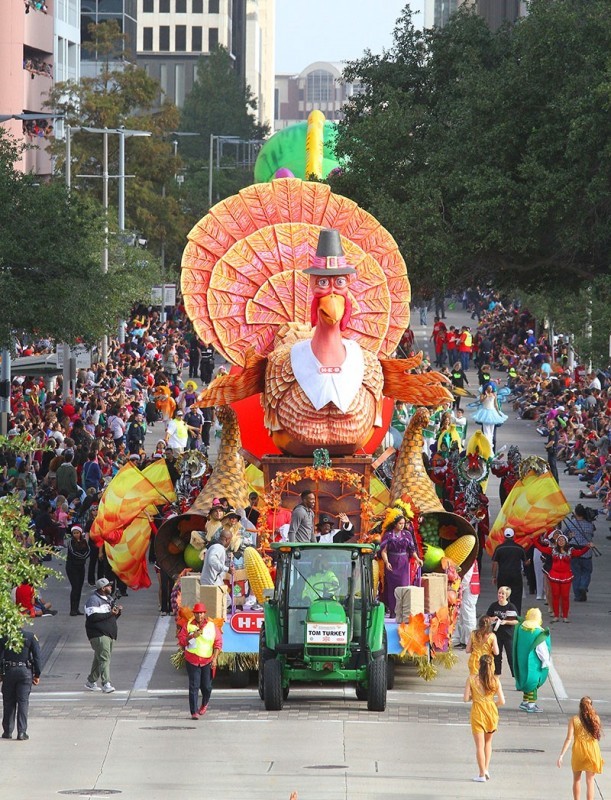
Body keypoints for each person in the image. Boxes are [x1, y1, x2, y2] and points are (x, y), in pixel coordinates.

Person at [177, 602, 222, 720]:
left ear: (204, 614)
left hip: (207, 661)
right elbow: (181, 641)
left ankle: (204, 703)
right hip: (192, 660)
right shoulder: (188, 625)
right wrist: (191, 636)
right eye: (197, 613)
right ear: (194, 614)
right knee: (194, 685)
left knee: (206, 686)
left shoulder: (212, 626)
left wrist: (215, 659)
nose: (199, 615)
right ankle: (194, 711)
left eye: (201, 613)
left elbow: (218, 643)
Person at [463, 654, 505, 782]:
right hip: (491, 712)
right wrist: (492, 704)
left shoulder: (471, 679)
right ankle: (486, 769)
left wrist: (473, 697)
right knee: (488, 743)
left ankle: (481, 774)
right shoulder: (495, 680)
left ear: (479, 665)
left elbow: (465, 698)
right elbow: (502, 701)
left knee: (479, 746)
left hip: (478, 712)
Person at [534, 532, 590, 622]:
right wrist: (534, 539)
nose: (560, 541)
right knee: (555, 595)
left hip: (566, 576)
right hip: (554, 575)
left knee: (565, 596)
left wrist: (587, 547)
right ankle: (556, 615)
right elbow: (540, 548)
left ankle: (565, 616)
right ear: (556, 541)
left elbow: (579, 553)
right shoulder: (552, 550)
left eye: (562, 540)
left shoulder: (570, 551)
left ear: (566, 541)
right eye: (559, 540)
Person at [557, 696, 604, 800]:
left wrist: (561, 755)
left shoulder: (574, 720)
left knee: (576, 780)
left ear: (580, 707)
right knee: (590, 781)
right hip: (592, 751)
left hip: (578, 751)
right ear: (591, 706)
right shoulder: (596, 719)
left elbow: (569, 738)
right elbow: (596, 736)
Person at [379, 508, 422, 618]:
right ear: (395, 524)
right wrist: (387, 562)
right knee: (392, 588)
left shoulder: (407, 534)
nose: (402, 525)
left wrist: (417, 559)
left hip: (403, 563)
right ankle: (394, 612)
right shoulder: (388, 535)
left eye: (403, 523)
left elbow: (412, 550)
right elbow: (383, 550)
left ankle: (404, 612)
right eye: (400, 523)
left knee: (404, 586)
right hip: (392, 562)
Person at [0, 628, 41, 741]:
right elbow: (37, 657)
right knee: (23, 702)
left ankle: (8, 731)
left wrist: (0, 673)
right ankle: (22, 732)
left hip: (9, 671)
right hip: (25, 672)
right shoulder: (30, 636)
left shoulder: (4, 637)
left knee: (8, 701)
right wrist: (37, 674)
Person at [84, 577, 122, 693]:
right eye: (109, 586)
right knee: (105, 658)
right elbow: (93, 617)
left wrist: (117, 612)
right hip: (98, 634)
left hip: (109, 634)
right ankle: (106, 684)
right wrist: (110, 613)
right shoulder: (93, 600)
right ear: (103, 588)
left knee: (99, 658)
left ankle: (91, 681)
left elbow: (111, 617)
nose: (111, 587)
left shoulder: (109, 599)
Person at [513, 607, 551, 713]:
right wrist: (545, 661)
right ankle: (531, 704)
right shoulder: (538, 632)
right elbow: (541, 649)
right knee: (533, 682)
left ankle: (525, 702)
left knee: (525, 680)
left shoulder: (521, 628)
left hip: (521, 660)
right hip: (533, 662)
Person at [563, 504, 596, 602]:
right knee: (587, 572)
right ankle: (583, 585)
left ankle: (578, 595)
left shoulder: (570, 524)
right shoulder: (590, 525)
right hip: (586, 553)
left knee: (576, 574)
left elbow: (564, 535)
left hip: (574, 552)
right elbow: (592, 534)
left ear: (576, 513)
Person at [491, 528, 525, 614]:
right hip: (516, 576)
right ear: (514, 537)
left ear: (504, 537)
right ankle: (516, 617)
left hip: (503, 575)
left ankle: (502, 614)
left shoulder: (499, 548)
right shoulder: (519, 548)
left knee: (503, 596)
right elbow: (526, 561)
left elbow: (495, 563)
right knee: (516, 598)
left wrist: (494, 577)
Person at [486, 586, 518, 676]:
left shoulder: (511, 607)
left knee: (511, 657)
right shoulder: (493, 605)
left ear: (507, 596)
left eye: (502, 594)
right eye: (499, 593)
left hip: (508, 636)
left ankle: (515, 676)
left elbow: (516, 621)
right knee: (496, 656)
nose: (500, 595)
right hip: (496, 635)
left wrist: (506, 621)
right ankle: (496, 675)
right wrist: (493, 618)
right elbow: (487, 617)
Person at [452, 561, 480, 649]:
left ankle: (469, 641)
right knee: (461, 615)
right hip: (468, 589)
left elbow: (467, 578)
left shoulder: (469, 559)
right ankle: (463, 640)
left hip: (469, 589)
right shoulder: (469, 557)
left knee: (468, 616)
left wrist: (458, 589)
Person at [472, 384, 508, 453]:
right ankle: (486, 446)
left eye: (491, 388)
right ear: (486, 388)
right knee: (486, 431)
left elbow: (496, 405)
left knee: (491, 432)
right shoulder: (483, 395)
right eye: (489, 388)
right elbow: (481, 401)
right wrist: (486, 396)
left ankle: (490, 448)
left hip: (492, 412)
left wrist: (498, 413)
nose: (490, 390)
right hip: (485, 412)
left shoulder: (494, 394)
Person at [66, 524, 90, 616]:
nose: (76, 535)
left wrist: (83, 557)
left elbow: (88, 551)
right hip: (72, 567)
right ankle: (72, 609)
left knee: (79, 588)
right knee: (75, 587)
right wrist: (82, 557)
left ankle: (77, 608)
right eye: (74, 533)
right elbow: (73, 553)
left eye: (77, 533)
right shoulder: (71, 542)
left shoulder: (84, 542)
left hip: (81, 567)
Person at [545, 418, 560, 483]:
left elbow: (552, 441)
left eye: (550, 422)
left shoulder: (553, 431)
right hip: (552, 450)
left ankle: (555, 480)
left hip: (552, 450)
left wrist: (546, 446)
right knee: (552, 465)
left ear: (553, 424)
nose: (548, 423)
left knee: (552, 466)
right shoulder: (552, 431)